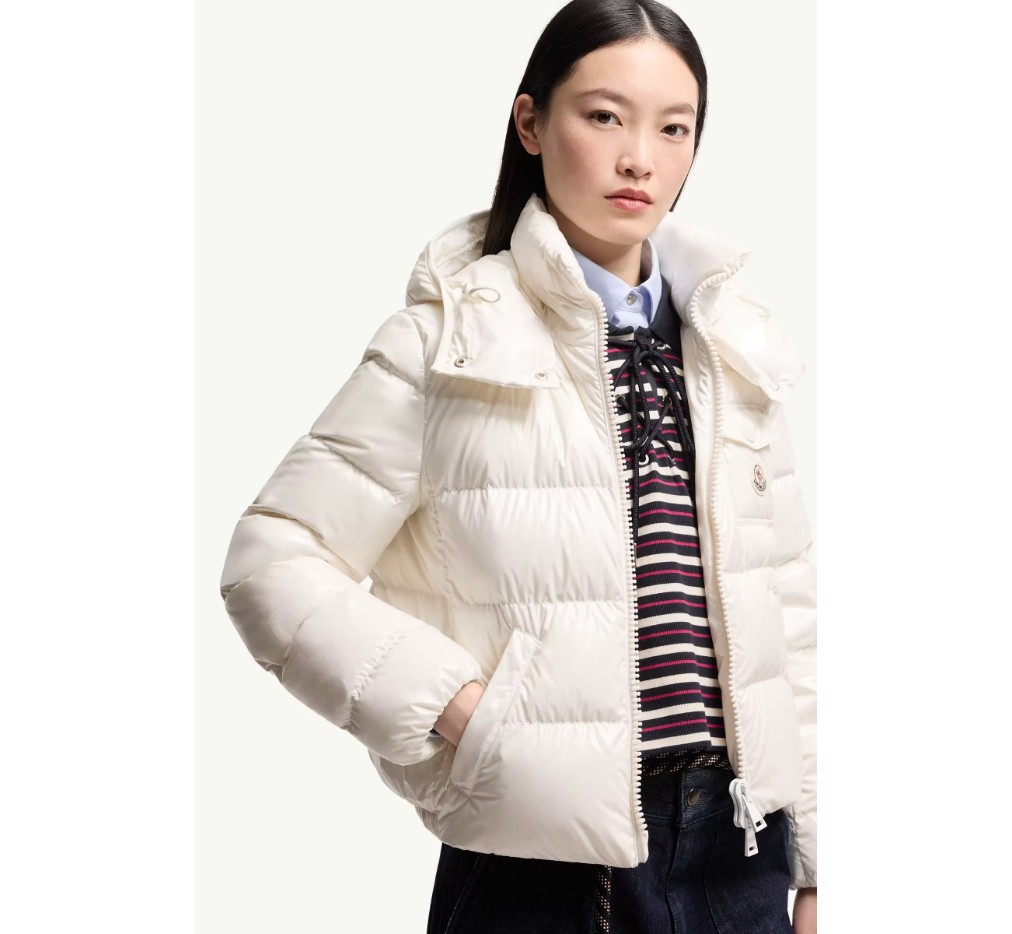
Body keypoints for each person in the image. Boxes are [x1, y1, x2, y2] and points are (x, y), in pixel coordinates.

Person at [218, 1, 817, 931]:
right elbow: (272, 559)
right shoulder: (448, 340)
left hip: (741, 849)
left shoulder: (732, 346)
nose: (639, 159)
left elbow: (788, 611)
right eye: (604, 116)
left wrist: (813, 856)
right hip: (542, 864)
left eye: (674, 128)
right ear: (531, 123)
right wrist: (461, 711)